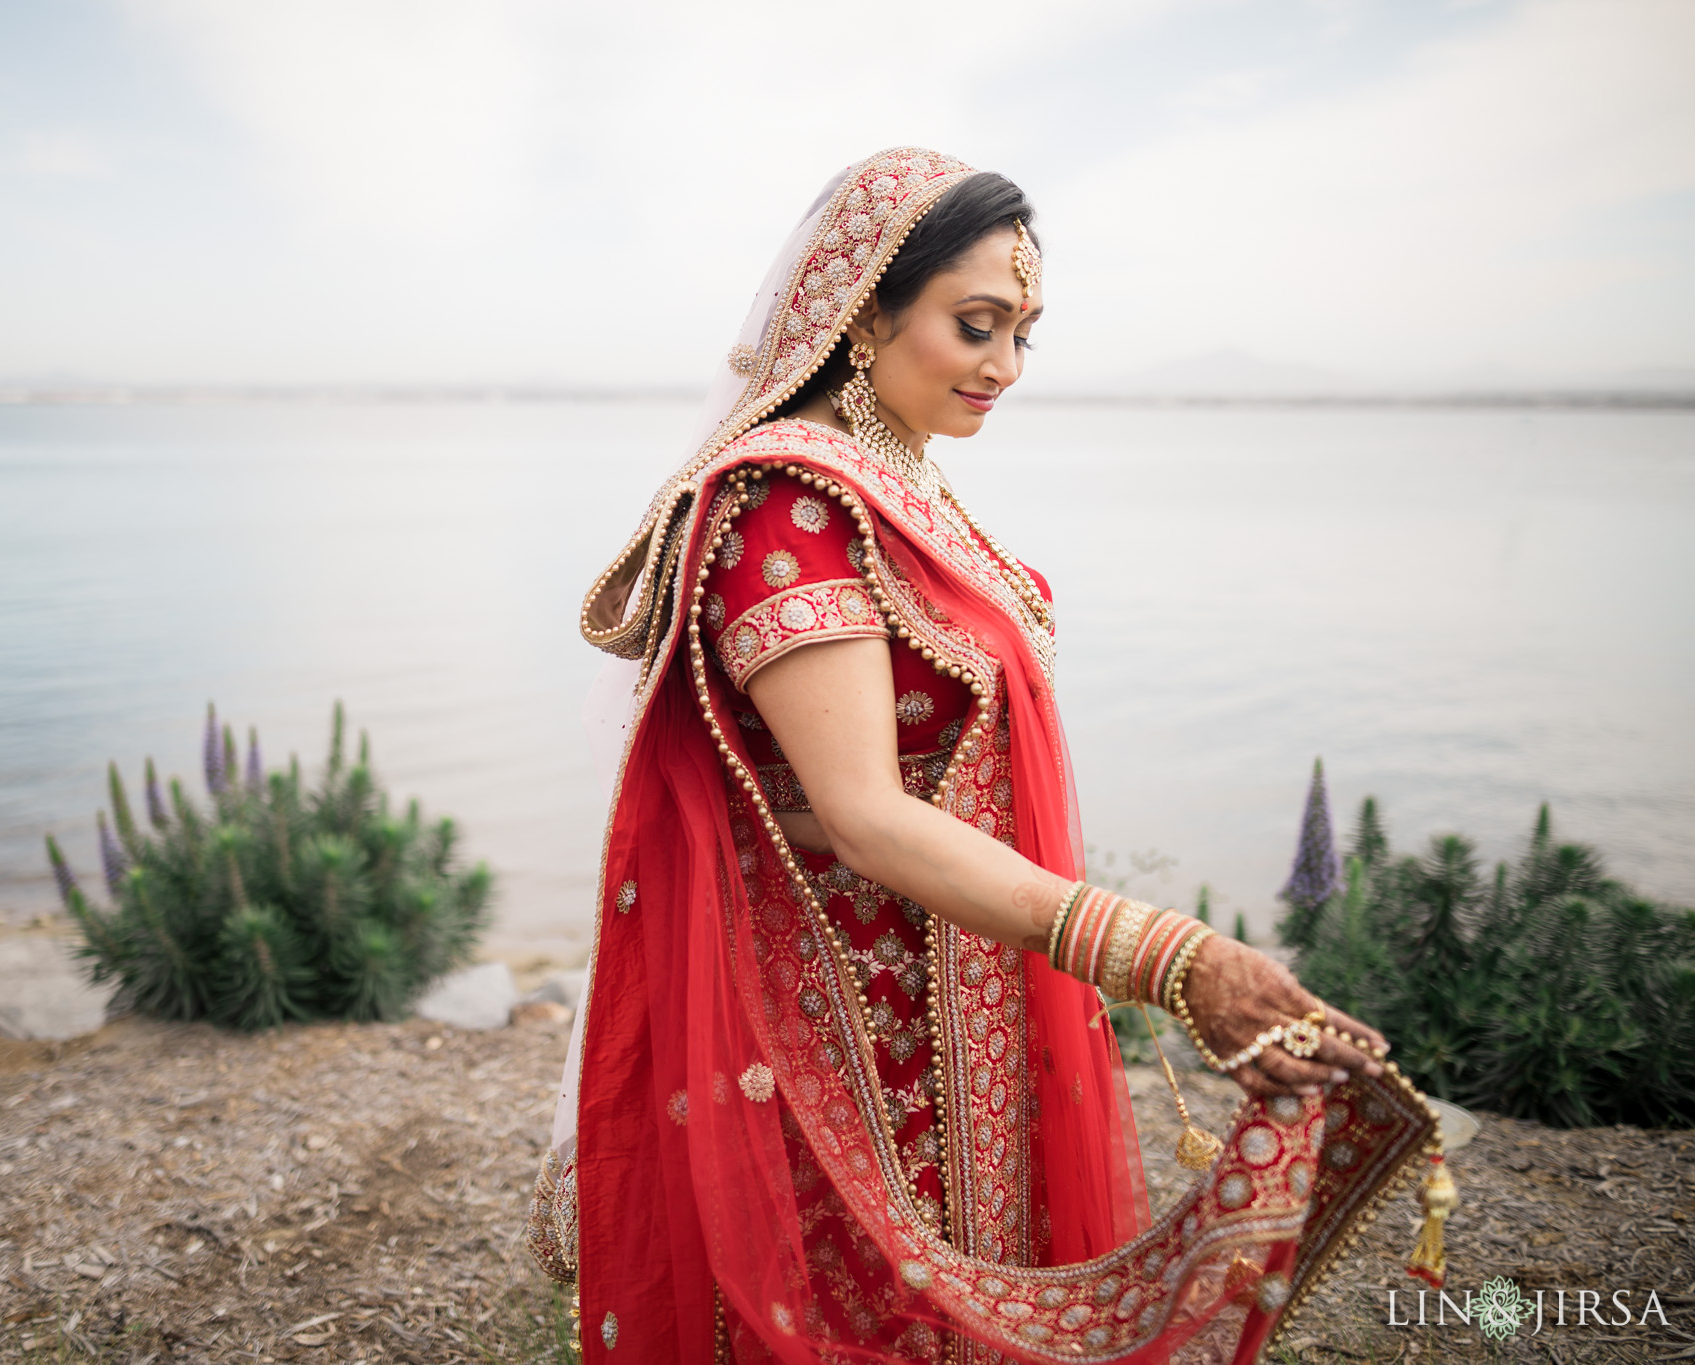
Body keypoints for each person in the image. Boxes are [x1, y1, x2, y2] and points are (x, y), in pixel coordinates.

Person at [532, 148, 1437, 1364]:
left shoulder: (898, 479)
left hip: (960, 981)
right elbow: (860, 811)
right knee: (859, 1315)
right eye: (974, 325)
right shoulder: (789, 508)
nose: (1004, 367)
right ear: (864, 310)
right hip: (844, 1017)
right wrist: (1169, 959)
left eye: (1023, 334)